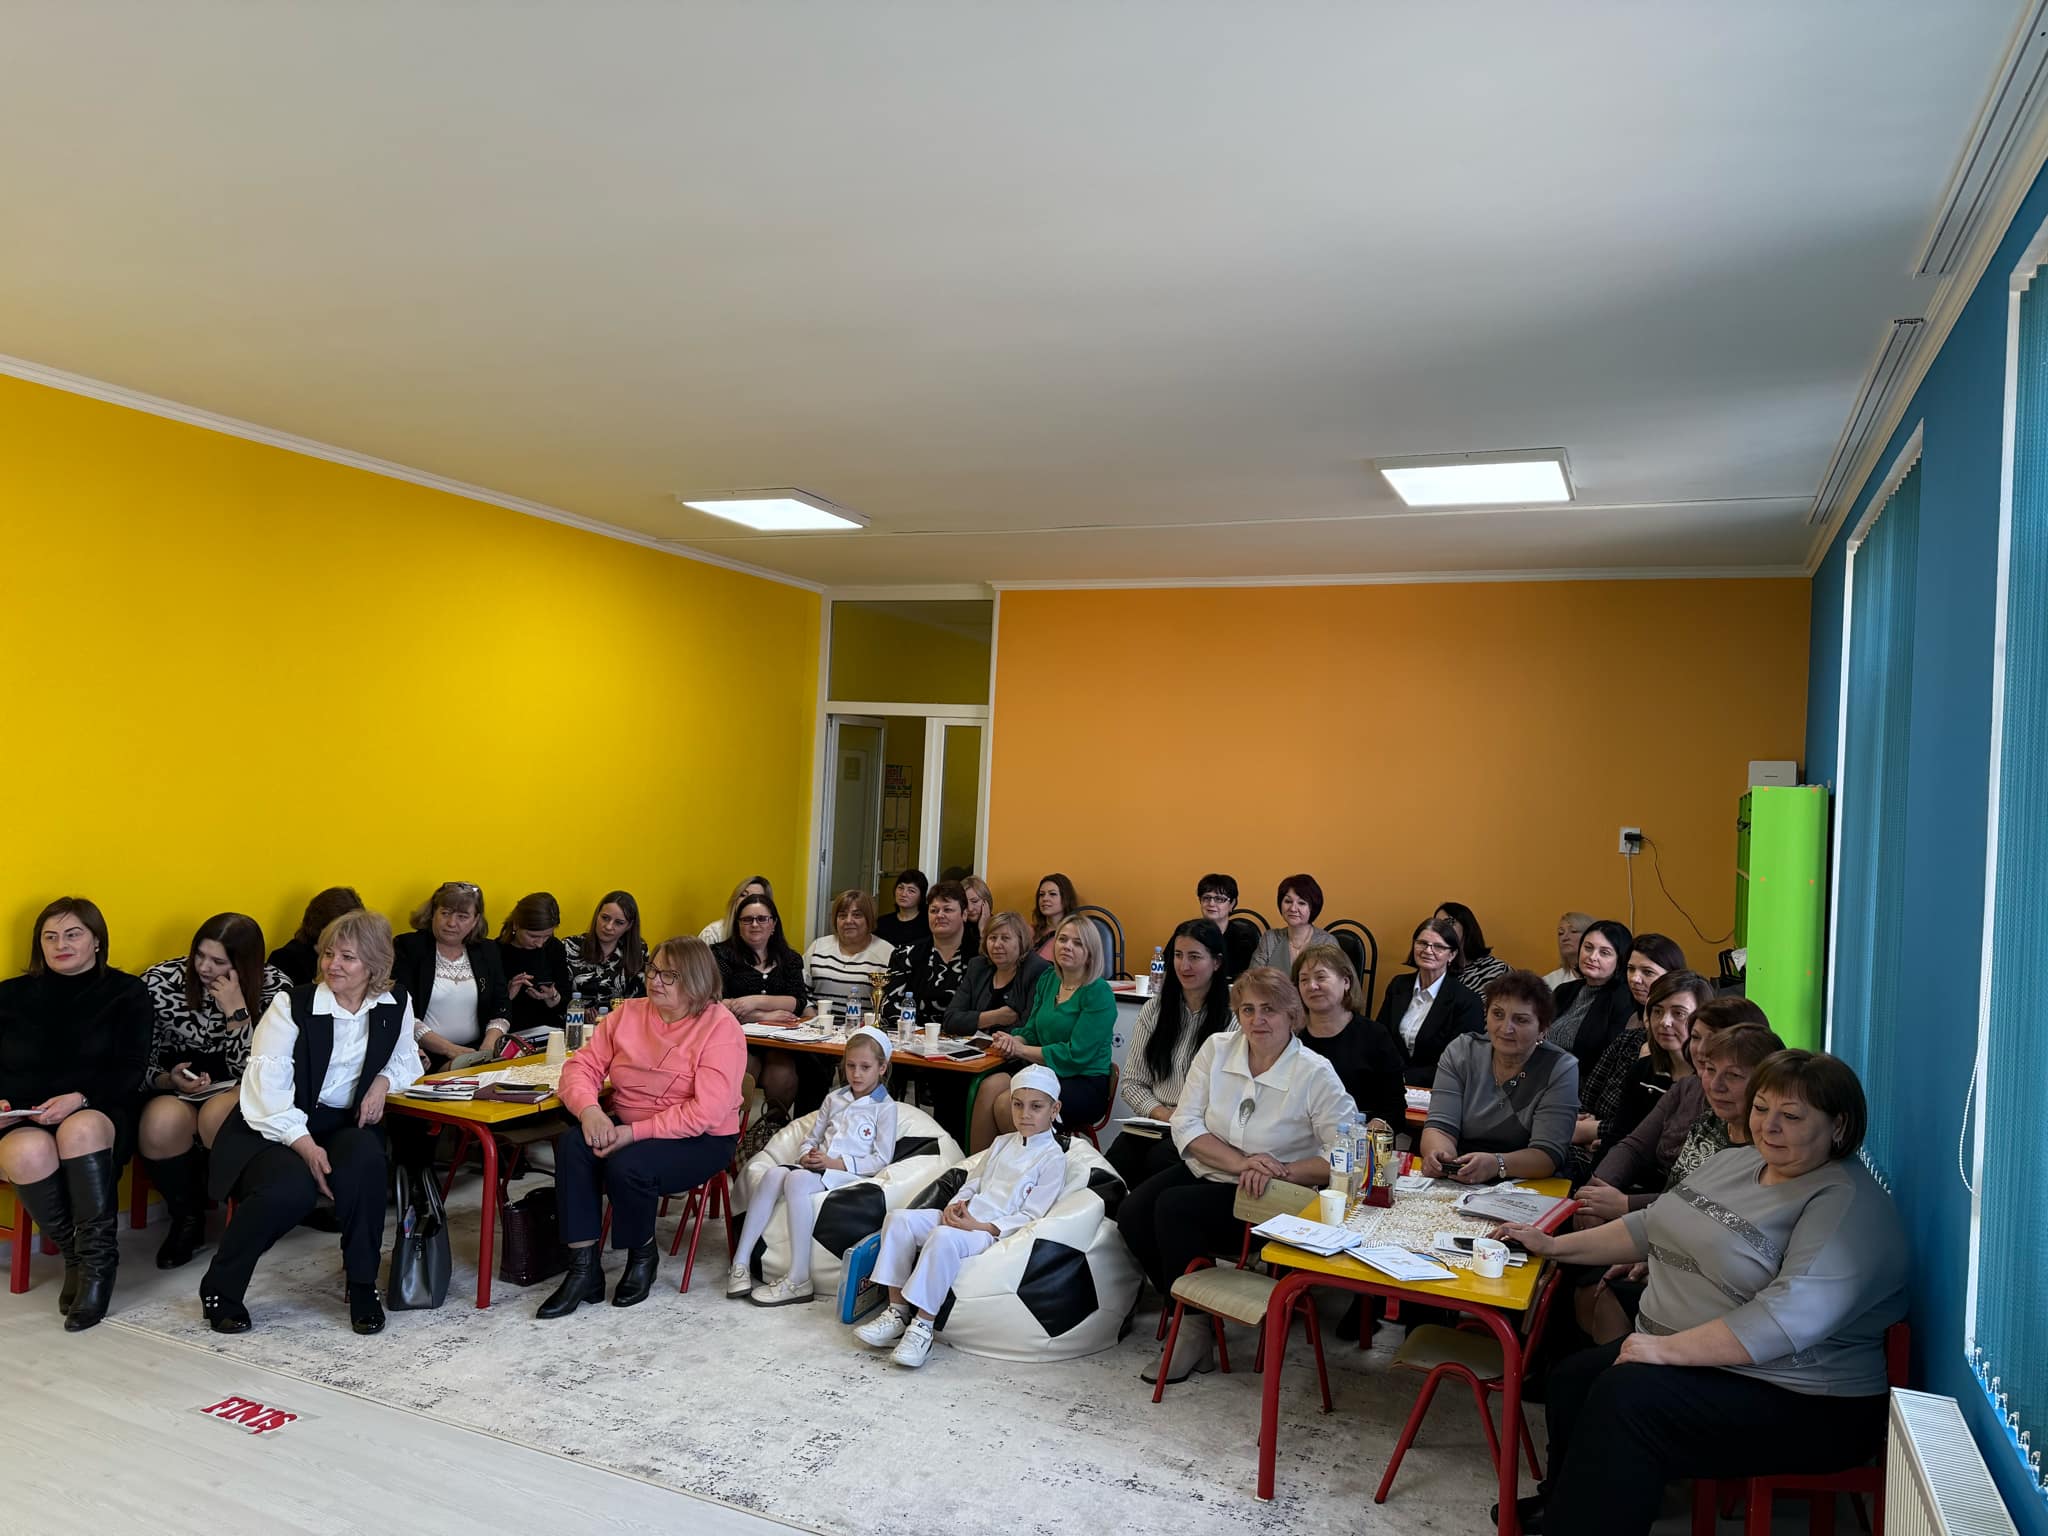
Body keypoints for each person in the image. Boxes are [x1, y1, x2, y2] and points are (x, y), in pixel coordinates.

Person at [1496, 1051, 1906, 1536]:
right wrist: (1552, 1245)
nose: (1769, 1126)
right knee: (1573, 1379)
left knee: (1625, 1398)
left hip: (1805, 1398)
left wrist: (1664, 1351)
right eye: (1761, 1108)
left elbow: (1785, 1320)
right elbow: (1651, 1225)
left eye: (1792, 1116)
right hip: (1716, 1363)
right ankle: (1566, 1504)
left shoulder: (1846, 1202)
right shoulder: (1740, 1159)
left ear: (1839, 1125)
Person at [1118, 966, 1355, 1383]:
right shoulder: (1217, 1048)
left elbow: (1345, 1154)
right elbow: (1186, 1123)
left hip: (1274, 1194)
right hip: (1216, 1170)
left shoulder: (1315, 1072)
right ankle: (1194, 1314)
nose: (1257, 1019)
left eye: (1269, 1010)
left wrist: (1284, 1170)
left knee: (1174, 1209)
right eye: (1247, 1009)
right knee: (1133, 1212)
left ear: (1292, 1015)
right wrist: (1239, 1162)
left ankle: (1192, 1331)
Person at [198, 909, 424, 1336]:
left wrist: (381, 1083)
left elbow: (405, 1060)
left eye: (347, 957)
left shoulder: (396, 1002)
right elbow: (266, 1092)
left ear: (375, 965)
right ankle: (221, 1287)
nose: (332, 965)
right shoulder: (292, 1005)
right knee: (291, 1190)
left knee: (366, 1163)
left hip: (342, 1122)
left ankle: (362, 1284)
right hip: (272, 1124)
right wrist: (305, 1146)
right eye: (328, 954)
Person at [538, 936, 745, 1318]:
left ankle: (642, 1254)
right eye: (653, 970)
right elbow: (581, 1066)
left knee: (628, 1165)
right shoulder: (628, 1014)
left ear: (697, 981)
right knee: (573, 1145)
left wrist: (631, 1133)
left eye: (669, 975)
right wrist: (589, 1111)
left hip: (702, 1137)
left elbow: (707, 1111)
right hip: (630, 1121)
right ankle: (584, 1269)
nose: (655, 981)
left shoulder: (720, 1027)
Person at [1572, 1013, 1783, 1344]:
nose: (1716, 1083)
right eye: (1710, 1067)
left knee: (1598, 1290)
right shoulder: (1705, 1118)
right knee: (1582, 1258)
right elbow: (1634, 1146)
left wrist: (1630, 1211)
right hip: (1666, 1232)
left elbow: (1708, 1219)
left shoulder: (1767, 1148)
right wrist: (1599, 1185)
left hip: (1701, 1266)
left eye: (1733, 1074)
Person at [0, 897, 152, 1331]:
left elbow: (131, 1069)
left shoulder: (126, 992)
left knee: (79, 1130)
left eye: (72, 935)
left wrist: (80, 1098)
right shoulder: (9, 994)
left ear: (96, 941)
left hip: (98, 1106)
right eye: (50, 937)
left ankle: (98, 1265)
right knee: (25, 1153)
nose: (60, 945)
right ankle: (76, 1257)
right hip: (25, 1116)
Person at [855, 1064, 1070, 1369]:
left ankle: (923, 1327)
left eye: (1036, 1107)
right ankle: (897, 1312)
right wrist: (955, 1205)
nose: (1025, 1114)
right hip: (965, 1219)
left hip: (988, 1232)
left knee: (943, 1238)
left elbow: (1031, 1215)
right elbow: (973, 1182)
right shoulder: (1001, 1143)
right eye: (1018, 1105)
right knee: (899, 1219)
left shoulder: (1053, 1159)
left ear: (1054, 1109)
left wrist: (979, 1225)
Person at [138, 913, 291, 1270]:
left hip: (239, 1084)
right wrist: (167, 1078)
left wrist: (236, 1012)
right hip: (177, 1083)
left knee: (217, 1115)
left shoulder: (276, 988)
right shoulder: (160, 981)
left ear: (245, 964)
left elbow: (258, 1069)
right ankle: (186, 1219)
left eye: (218, 962)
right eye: (200, 955)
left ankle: (243, 1216)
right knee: (161, 1122)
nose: (204, 968)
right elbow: (139, 1061)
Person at [727, 1026, 898, 1306]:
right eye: (851, 1066)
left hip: (850, 1175)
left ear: (882, 1068)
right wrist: (806, 1155)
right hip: (819, 1169)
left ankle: (798, 1278)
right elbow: (811, 1139)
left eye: (865, 1067)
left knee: (795, 1181)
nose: (856, 1074)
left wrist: (834, 1163)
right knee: (772, 1175)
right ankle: (741, 1261)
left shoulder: (886, 1108)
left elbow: (881, 1159)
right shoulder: (834, 1099)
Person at [1417, 971, 1579, 1183]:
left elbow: (1547, 1155)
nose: (1505, 1028)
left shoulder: (1561, 1068)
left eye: (1520, 1020)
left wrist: (1497, 1164)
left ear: (1543, 1028)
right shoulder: (1462, 1051)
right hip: (1463, 1172)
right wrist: (1441, 1157)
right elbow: (1440, 1126)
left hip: (1527, 1181)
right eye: (1498, 1014)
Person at [1107, 918, 1234, 1186]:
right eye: (1178, 955)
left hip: (1203, 1132)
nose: (1184, 966)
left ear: (1216, 962)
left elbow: (1231, 1095)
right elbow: (1132, 1083)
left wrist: (1185, 1120)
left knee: (1158, 1163)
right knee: (1112, 1167)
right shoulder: (1155, 1010)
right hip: (1156, 1124)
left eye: (1194, 957)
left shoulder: (1233, 1019)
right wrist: (1164, 1115)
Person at [971, 914, 1115, 1150]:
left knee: (1008, 1104)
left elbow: (1075, 1055)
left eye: (1077, 943)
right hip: (1043, 1072)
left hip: (1082, 1080)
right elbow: (1031, 1030)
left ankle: (1028, 1166)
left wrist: (1021, 1050)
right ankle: (979, 1165)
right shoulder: (1049, 979)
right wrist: (1012, 1040)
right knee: (990, 1085)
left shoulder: (1099, 992)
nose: (1067, 946)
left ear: (1091, 953)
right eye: (1063, 939)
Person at [1570, 960, 1703, 1174]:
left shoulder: (1709, 1081)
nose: (1664, 1022)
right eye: (1657, 1011)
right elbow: (1619, 1137)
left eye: (1678, 1013)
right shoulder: (1643, 1069)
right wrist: (1594, 1184)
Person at [392, 882, 513, 1071]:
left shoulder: (488, 950)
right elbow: (401, 1011)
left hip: (477, 1052)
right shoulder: (409, 947)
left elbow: (501, 1006)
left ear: (475, 920)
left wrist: (488, 1047)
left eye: (462, 917)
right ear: (433, 913)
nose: (451, 923)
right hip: (424, 1056)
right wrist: (450, 1050)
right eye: (445, 913)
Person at [1292, 941, 1407, 1133]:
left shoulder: (1375, 1036)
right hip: (1299, 1137)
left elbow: (1394, 1107)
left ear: (1346, 982)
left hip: (1357, 1138)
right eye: (1304, 980)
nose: (1312, 986)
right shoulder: (1291, 1038)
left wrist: (1373, 1128)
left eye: (1321, 977)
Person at [717, 892, 811, 1120]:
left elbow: (798, 1001)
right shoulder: (721, 954)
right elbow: (716, 1001)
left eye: (762, 919)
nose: (754, 924)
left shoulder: (790, 958)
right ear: (738, 925)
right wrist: (762, 1015)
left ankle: (771, 1129)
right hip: (736, 1037)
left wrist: (755, 1001)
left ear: (773, 924)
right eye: (747, 919)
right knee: (744, 1070)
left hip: (779, 1041)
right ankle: (733, 1129)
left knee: (783, 1074)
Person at [1375, 916, 1486, 1085]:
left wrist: (1404, 1078)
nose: (1428, 950)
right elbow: (1380, 1038)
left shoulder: (1467, 1001)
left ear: (1452, 954)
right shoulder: (1398, 985)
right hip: (1388, 1083)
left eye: (1438, 946)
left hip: (1437, 1086)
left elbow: (1460, 1061)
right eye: (1422, 943)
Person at [1548, 919, 1637, 1070]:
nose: (1592, 957)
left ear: (1620, 959)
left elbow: (1608, 1059)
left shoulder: (1624, 998)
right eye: (1588, 948)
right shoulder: (1564, 990)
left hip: (1583, 1079)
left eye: (1604, 953)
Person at [944, 910, 1049, 1038]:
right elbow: (950, 1020)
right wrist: (994, 1017)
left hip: (1013, 1048)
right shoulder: (978, 966)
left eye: (1005, 938)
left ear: (1021, 941)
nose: (997, 945)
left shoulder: (1037, 970)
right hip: (973, 1046)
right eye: (993, 938)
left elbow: (1028, 1027)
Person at [882, 880, 974, 1026]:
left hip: (966, 1036)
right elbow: (889, 1007)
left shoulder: (980, 956)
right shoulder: (905, 955)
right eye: (934, 910)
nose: (940, 915)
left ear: (964, 914)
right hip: (915, 1034)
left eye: (948, 910)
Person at [803, 889, 894, 1010]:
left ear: (869, 919)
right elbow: (799, 991)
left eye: (857, 915)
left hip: (864, 1022)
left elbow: (891, 1003)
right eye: (842, 916)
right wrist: (810, 1014)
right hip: (817, 1020)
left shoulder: (887, 953)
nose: (848, 921)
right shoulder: (817, 946)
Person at [497, 892, 571, 1040]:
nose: (540, 944)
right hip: (510, 1035)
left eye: (547, 936)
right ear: (516, 925)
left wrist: (553, 997)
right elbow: (485, 1012)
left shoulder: (554, 947)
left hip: (550, 1033)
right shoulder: (494, 951)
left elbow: (567, 1000)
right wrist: (507, 995)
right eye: (533, 936)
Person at [267, 887, 365, 986]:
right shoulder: (285, 959)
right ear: (322, 926)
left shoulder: (359, 957)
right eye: (344, 930)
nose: (351, 936)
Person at [564, 890, 648, 1003]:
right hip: (575, 1013)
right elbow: (559, 996)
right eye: (605, 918)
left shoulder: (639, 951)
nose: (608, 926)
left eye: (619, 923)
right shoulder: (569, 946)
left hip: (621, 1014)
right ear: (597, 915)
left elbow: (639, 1000)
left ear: (629, 926)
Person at [1250, 873, 1334, 972]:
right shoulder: (1270, 938)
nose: (1293, 909)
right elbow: (1253, 977)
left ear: (1313, 908)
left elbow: (1333, 979)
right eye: (1288, 901)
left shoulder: (1326, 942)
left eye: (1301, 903)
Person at [1435, 900, 1509, 996]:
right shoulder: (1435, 971)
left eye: (1449, 922)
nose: (1442, 929)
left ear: (1466, 926)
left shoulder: (1497, 970)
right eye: (1437, 924)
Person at [1196, 873, 1260, 979]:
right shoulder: (1187, 932)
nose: (1211, 903)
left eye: (1219, 899)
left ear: (1232, 904)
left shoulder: (1245, 938)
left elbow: (1252, 976)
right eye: (1206, 898)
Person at [699, 875, 772, 945]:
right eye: (743, 895)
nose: (747, 900)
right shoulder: (711, 934)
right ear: (735, 899)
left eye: (755, 897)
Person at [874, 869, 930, 948]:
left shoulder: (928, 923)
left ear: (921, 896)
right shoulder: (882, 923)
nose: (903, 894)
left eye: (911, 891)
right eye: (900, 888)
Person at [1030, 872, 1080, 959]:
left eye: (1052, 894)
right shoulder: (1029, 932)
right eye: (1041, 894)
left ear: (1066, 898)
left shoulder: (1078, 933)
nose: (1045, 899)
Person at [1543, 910, 1595, 991]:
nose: (1565, 938)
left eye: (1573, 931)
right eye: (1561, 933)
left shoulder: (1608, 977)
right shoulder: (1549, 982)